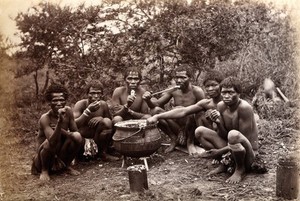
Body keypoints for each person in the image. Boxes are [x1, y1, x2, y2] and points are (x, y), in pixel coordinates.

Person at [148, 76, 259, 183]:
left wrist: (219, 151)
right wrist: (218, 123)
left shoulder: (244, 108)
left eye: (231, 93)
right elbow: (223, 134)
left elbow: (243, 142)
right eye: (224, 93)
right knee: (200, 131)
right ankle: (225, 164)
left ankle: (240, 169)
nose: (226, 96)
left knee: (233, 134)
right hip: (231, 147)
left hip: (248, 154)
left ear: (239, 93)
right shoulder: (221, 106)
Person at [146, 70, 224, 155]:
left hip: (221, 134)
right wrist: (156, 114)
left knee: (198, 114)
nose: (210, 89)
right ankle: (175, 138)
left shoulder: (227, 101)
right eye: (207, 86)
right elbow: (183, 111)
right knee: (157, 111)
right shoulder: (206, 102)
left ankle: (191, 142)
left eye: (214, 85)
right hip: (183, 127)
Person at [143, 65, 205, 153]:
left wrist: (183, 109)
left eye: (183, 77)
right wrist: (147, 99)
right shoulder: (173, 90)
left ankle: (190, 142)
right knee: (155, 111)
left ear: (190, 78)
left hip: (192, 128)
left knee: (192, 112)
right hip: (177, 127)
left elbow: (202, 113)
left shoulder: (197, 91)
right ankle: (173, 138)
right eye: (177, 77)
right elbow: (156, 104)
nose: (179, 80)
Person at [31, 83, 83, 181]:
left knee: (77, 136)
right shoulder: (45, 118)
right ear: (49, 103)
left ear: (65, 101)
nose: (59, 103)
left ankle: (65, 166)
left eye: (61, 100)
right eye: (55, 100)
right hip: (43, 158)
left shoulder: (68, 111)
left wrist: (62, 131)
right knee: (47, 142)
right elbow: (52, 142)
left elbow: (75, 132)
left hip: (59, 154)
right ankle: (44, 171)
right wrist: (59, 123)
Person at [73, 80, 117, 161]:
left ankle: (102, 153)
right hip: (83, 140)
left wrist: (101, 118)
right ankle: (82, 155)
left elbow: (109, 125)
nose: (96, 96)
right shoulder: (80, 105)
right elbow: (73, 125)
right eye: (92, 93)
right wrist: (87, 111)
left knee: (107, 121)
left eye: (98, 93)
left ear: (102, 94)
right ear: (87, 94)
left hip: (97, 139)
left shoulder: (103, 105)